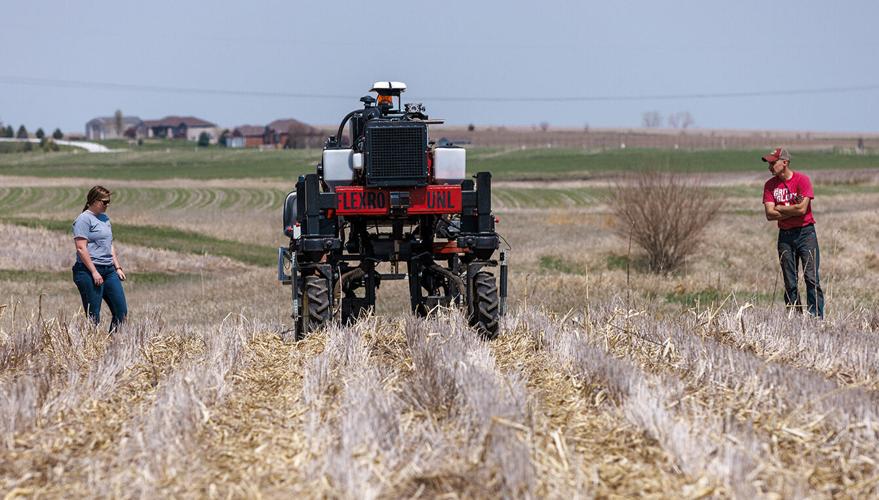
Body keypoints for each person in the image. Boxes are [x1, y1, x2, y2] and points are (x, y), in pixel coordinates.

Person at [762, 147, 824, 318]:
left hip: (806, 234)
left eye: (773, 163)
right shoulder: (769, 185)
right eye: (769, 163)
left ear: (785, 162)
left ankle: (815, 318)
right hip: (785, 236)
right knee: (790, 281)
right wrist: (793, 209)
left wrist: (780, 207)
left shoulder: (802, 180)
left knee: (811, 278)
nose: (770, 166)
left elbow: (802, 209)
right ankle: (794, 318)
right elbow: (769, 214)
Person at [72, 186, 128, 331]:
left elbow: (109, 245)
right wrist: (94, 272)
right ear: (94, 201)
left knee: (121, 312)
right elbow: (81, 248)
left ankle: (113, 342)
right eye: (104, 202)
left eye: (109, 202)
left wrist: (117, 267)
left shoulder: (104, 218)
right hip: (88, 271)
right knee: (93, 316)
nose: (107, 205)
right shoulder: (83, 219)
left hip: (109, 270)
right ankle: (93, 343)